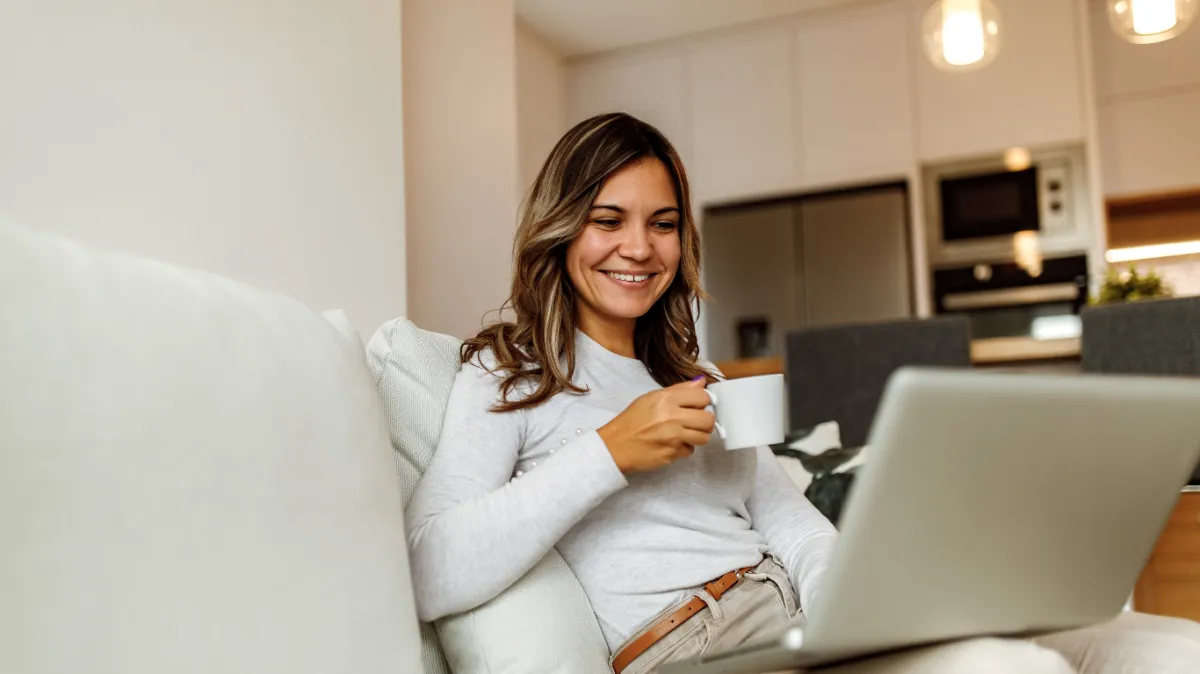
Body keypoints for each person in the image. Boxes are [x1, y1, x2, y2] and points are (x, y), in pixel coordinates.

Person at [405, 112, 1200, 673]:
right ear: (561, 227)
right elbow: (432, 565)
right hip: (693, 646)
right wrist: (609, 450)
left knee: (1161, 648)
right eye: (608, 220)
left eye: (665, 223)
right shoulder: (509, 374)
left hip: (794, 625)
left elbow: (794, 527)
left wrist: (853, 618)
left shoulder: (702, 381)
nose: (639, 249)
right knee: (998, 670)